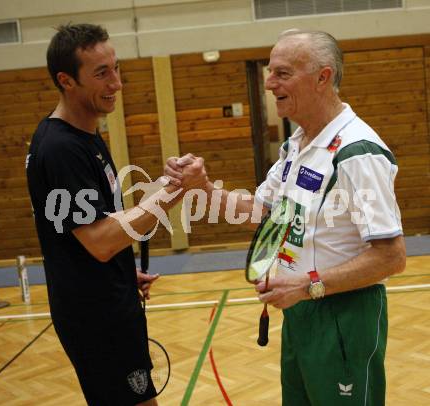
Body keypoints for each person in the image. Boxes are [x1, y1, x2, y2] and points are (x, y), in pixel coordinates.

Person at [166, 29, 406, 405]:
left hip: (343, 315)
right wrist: (205, 188)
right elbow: (264, 213)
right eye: (269, 72)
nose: (268, 83)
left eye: (282, 73)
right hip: (302, 308)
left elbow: (392, 256)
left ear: (323, 77)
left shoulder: (357, 152)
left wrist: (308, 284)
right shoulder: (296, 145)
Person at [26, 23, 207, 406]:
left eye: (117, 68)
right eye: (101, 73)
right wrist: (175, 192)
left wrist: (123, 272)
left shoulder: (84, 136)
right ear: (66, 80)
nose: (117, 83)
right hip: (96, 318)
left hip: (106, 301)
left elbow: (97, 225)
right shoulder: (61, 148)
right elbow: (101, 241)